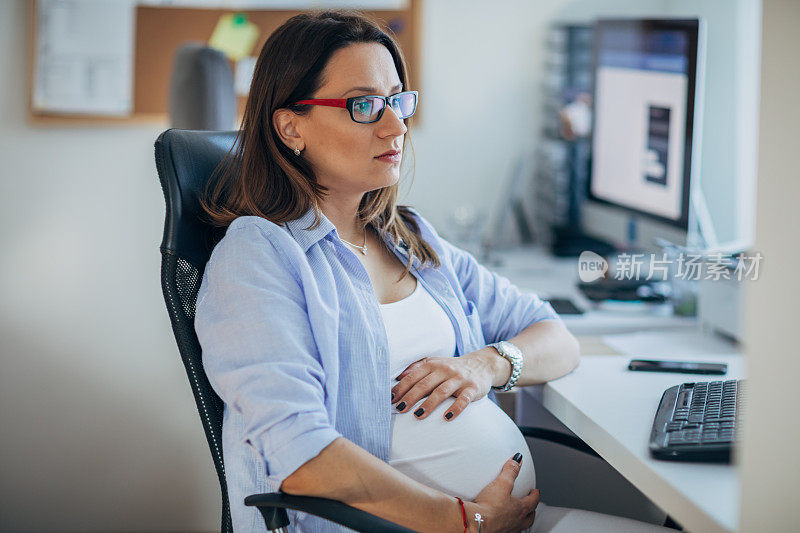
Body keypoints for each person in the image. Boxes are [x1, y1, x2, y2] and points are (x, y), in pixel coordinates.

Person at [194, 10, 674, 533]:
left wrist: (486, 365)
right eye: (364, 106)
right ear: (291, 126)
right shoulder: (259, 256)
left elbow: (557, 337)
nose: (396, 125)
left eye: (396, 100)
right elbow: (302, 458)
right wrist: (465, 520)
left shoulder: (407, 237)